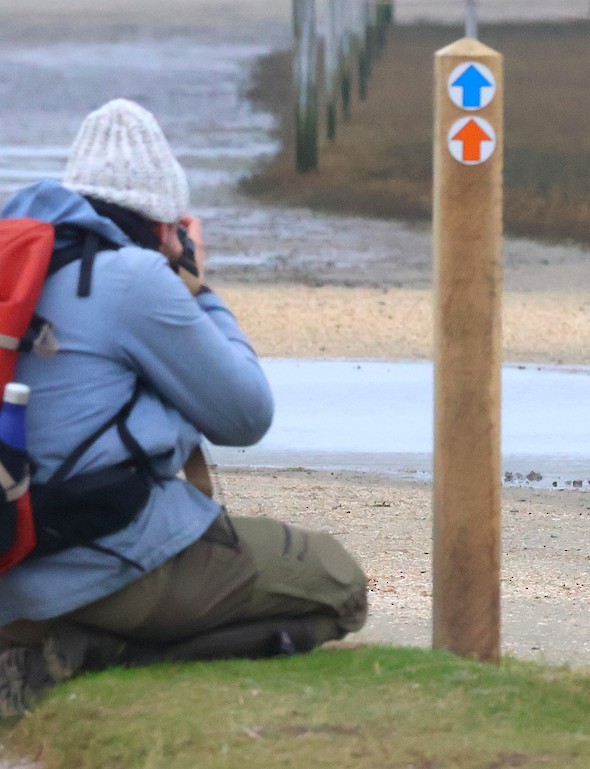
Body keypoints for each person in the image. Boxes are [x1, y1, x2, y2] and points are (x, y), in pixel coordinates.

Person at [0, 99, 368, 717]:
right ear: (164, 221)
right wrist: (197, 285)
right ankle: (87, 655)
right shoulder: (134, 278)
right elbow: (245, 415)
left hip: (11, 559)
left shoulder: (18, 272)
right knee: (338, 586)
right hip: (99, 564)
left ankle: (50, 639)